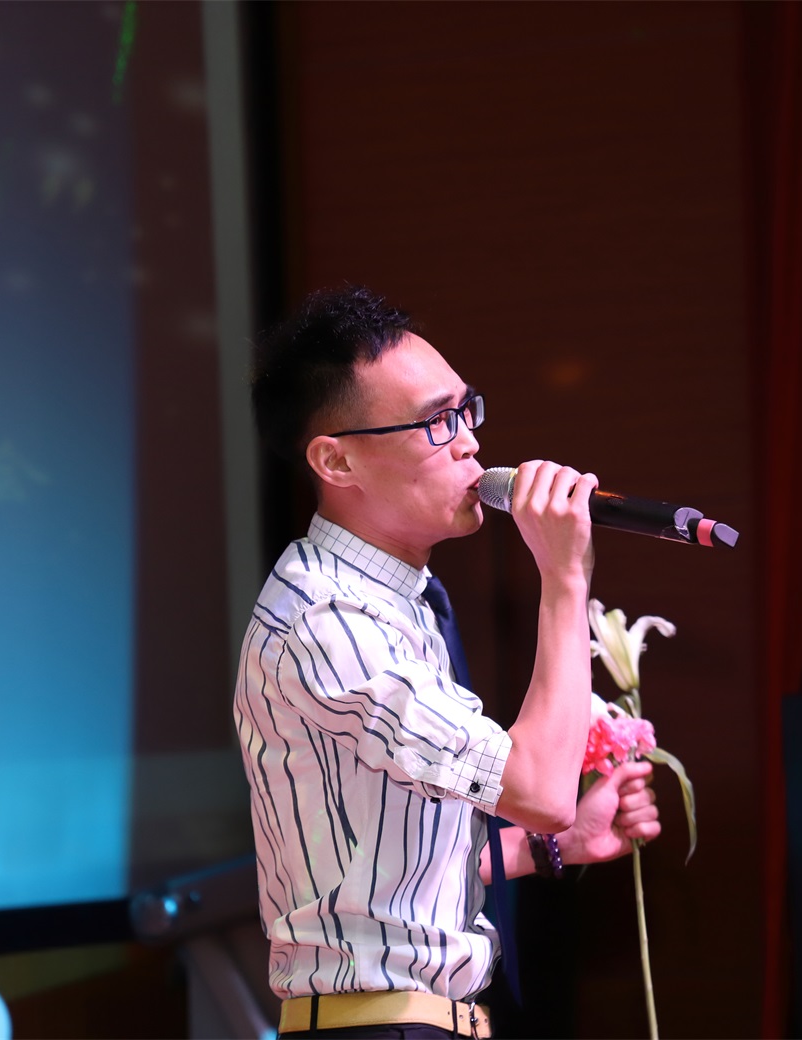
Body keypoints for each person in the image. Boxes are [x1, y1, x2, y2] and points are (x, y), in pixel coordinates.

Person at [234, 286, 661, 1039]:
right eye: (436, 422)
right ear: (336, 460)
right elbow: (540, 790)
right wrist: (565, 577)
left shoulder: (401, 600)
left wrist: (554, 848)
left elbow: (387, 870)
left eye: (466, 411)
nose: (468, 443)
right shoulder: (328, 620)